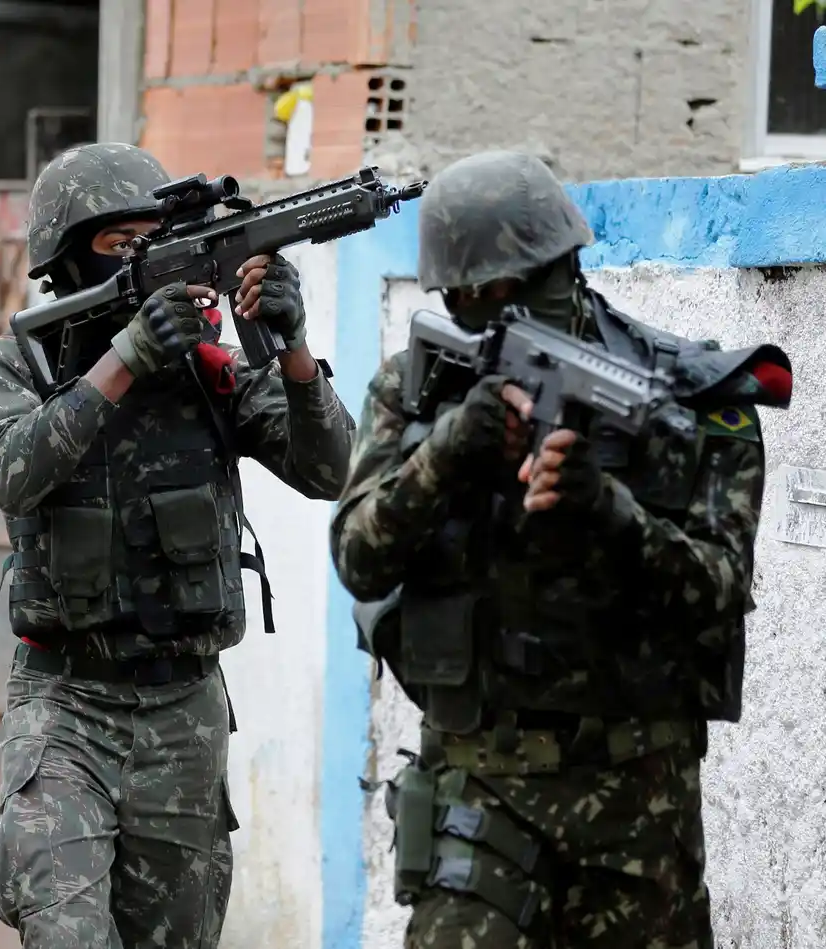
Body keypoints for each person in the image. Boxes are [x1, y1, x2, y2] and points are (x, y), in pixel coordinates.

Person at [330, 150, 794, 948]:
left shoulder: (688, 397)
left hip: (635, 804)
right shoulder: (420, 386)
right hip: (478, 790)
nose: (494, 313)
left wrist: (605, 508)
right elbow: (359, 558)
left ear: (568, 267)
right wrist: (449, 450)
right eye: (470, 299)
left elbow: (718, 589)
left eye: (513, 289)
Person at [0, 142, 357, 948]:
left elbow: (333, 469)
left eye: (159, 239)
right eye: (120, 245)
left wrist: (291, 347)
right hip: (66, 701)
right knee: (68, 931)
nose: (148, 259)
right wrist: (124, 360)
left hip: (184, 708)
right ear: (67, 260)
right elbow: (12, 471)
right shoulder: (13, 363)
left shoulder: (211, 366)